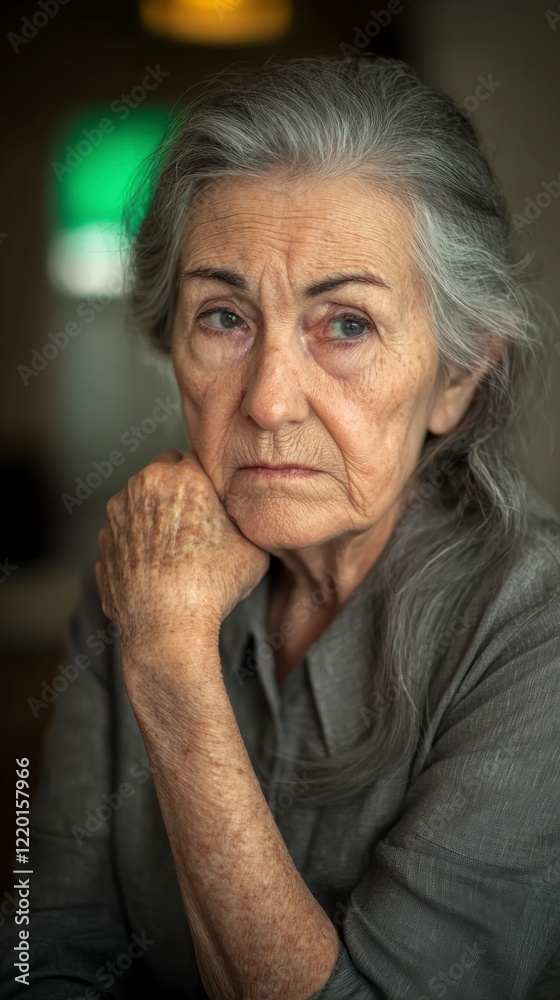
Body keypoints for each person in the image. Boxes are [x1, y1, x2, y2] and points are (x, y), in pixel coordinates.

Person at [2, 54, 560, 1000]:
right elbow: (40, 945)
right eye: (224, 316)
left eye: (345, 325)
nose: (268, 401)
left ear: (458, 377)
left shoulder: (533, 635)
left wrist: (173, 664)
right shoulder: (144, 565)